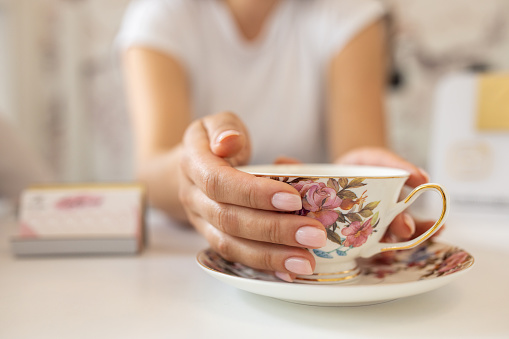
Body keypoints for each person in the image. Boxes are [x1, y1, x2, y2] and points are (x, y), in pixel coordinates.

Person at [117, 0, 434, 282]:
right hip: (184, 261)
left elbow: (356, 153)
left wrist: (366, 186)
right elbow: (150, 171)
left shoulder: (348, 11)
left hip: (312, 250)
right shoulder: (161, 14)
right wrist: (196, 170)